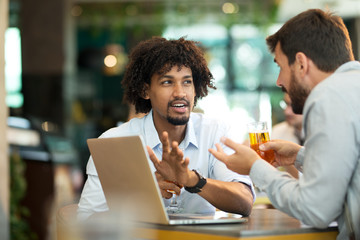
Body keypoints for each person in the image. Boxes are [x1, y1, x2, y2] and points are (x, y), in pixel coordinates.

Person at [209, 9, 359, 240]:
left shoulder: (327, 96)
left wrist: (255, 168)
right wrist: (300, 156)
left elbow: (316, 210)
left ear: (301, 63)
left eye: (280, 66)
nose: (279, 81)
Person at [77, 37, 255, 220]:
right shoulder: (113, 143)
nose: (180, 93)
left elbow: (244, 202)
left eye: (187, 82)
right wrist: (145, 196)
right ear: (145, 91)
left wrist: (192, 180)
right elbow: (86, 221)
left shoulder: (214, 132)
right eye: (167, 82)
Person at [272, 93, 304, 178]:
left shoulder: (322, 134)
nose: (287, 112)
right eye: (286, 104)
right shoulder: (278, 131)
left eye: (293, 105)